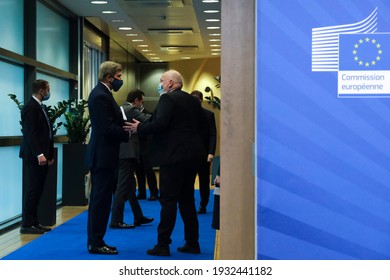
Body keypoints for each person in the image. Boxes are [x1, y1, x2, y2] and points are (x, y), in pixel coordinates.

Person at [129, 69, 208, 257]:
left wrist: (140, 128)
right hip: (193, 157)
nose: (160, 84)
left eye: (162, 81)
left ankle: (163, 244)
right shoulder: (192, 100)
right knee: (187, 200)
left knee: (168, 200)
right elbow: (202, 127)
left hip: (173, 157)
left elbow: (160, 124)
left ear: (171, 83)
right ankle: (192, 242)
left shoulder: (167, 99)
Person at [85, 61, 133, 255]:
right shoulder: (100, 96)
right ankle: (96, 242)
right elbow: (107, 127)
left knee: (102, 200)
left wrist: (127, 127)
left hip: (106, 156)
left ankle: (97, 239)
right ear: (108, 77)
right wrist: (128, 133)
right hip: (102, 157)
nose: (120, 80)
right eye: (119, 77)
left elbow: (115, 122)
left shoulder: (104, 94)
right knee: (100, 201)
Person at [110, 89, 154, 229]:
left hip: (121, 152)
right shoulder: (131, 109)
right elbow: (149, 120)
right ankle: (116, 220)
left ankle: (138, 217)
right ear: (136, 100)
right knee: (123, 187)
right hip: (128, 153)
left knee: (129, 186)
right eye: (141, 101)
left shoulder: (121, 108)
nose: (141, 104)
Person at [19, 79, 54, 235]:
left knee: (38, 190)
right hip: (34, 157)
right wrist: (39, 154)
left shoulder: (40, 107)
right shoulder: (30, 108)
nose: (48, 92)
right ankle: (26, 224)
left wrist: (50, 154)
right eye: (48, 89)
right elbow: (30, 133)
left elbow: (47, 133)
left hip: (43, 156)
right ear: (41, 91)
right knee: (32, 191)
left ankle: (34, 222)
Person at [190, 90, 217, 214]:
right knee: (188, 181)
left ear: (201, 100)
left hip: (204, 154)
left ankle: (203, 205)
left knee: (204, 181)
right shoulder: (185, 115)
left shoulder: (209, 115)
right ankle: (189, 203)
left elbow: (213, 134)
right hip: (189, 154)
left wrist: (211, 152)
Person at [135, 104, 159, 201]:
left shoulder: (148, 114)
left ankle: (154, 193)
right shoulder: (134, 114)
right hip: (137, 146)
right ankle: (141, 193)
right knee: (139, 171)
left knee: (149, 171)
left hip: (147, 146)